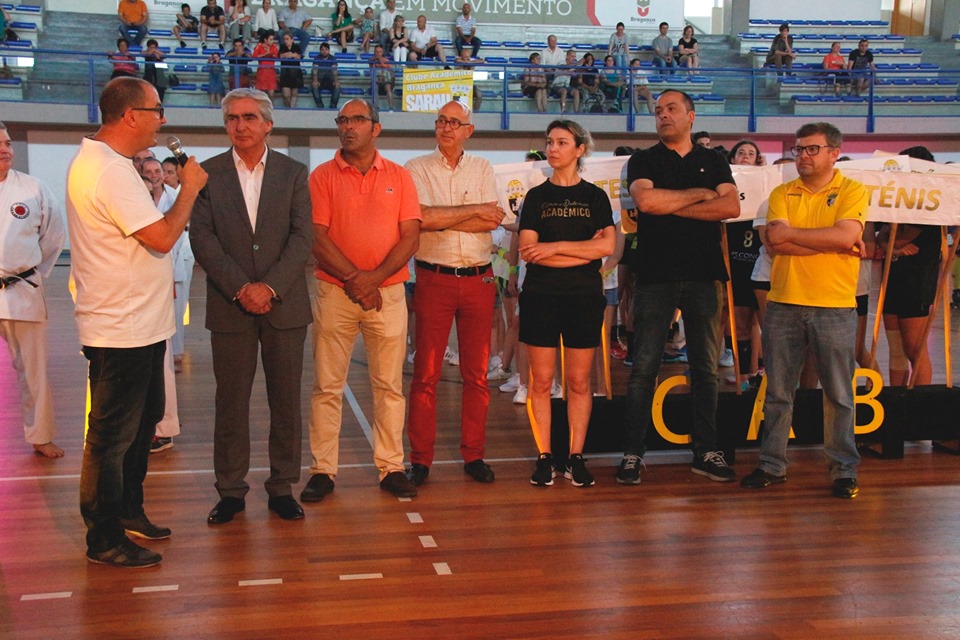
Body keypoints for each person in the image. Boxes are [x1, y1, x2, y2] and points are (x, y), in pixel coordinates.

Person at [66, 77, 207, 567]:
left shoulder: (110, 164)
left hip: (141, 323)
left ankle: (127, 510)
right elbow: (163, 237)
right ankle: (104, 537)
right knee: (111, 437)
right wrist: (188, 190)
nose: (162, 119)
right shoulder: (109, 171)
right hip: (120, 326)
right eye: (156, 109)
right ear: (130, 116)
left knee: (142, 424)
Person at [189, 88, 313, 525]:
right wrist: (242, 287)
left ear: (267, 125)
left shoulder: (293, 173)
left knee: (286, 402)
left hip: (284, 306)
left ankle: (282, 487)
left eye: (248, 117)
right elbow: (202, 238)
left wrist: (269, 287)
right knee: (230, 403)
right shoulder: (206, 175)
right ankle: (230, 491)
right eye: (232, 118)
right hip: (231, 305)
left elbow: (303, 238)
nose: (239, 125)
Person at [618, 89, 740, 485]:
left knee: (705, 369)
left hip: (705, 274)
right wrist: (701, 195)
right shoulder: (642, 160)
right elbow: (646, 204)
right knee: (643, 369)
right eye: (658, 111)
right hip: (655, 275)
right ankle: (633, 453)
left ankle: (706, 450)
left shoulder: (714, 159)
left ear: (691, 116)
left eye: (671, 109)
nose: (663, 115)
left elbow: (730, 207)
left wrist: (672, 205)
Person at [303, 99, 421, 502]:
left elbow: (410, 236)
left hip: (387, 293)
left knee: (389, 385)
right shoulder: (322, 176)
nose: (348, 127)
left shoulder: (400, 177)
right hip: (335, 292)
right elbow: (316, 237)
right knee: (327, 385)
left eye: (357, 119)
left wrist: (373, 279)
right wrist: (357, 280)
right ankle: (323, 470)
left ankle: (391, 467)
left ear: (376, 127)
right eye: (342, 120)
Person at [740, 122, 866, 499]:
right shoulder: (781, 193)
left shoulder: (852, 190)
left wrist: (801, 237)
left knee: (839, 394)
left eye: (812, 149)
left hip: (835, 305)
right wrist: (833, 243)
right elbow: (775, 243)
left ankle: (844, 470)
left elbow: (846, 235)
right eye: (799, 149)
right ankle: (771, 465)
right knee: (778, 392)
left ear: (834, 153)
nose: (803, 156)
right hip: (783, 302)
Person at [404, 100, 509, 488]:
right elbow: (422, 219)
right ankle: (420, 459)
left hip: (479, 280)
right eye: (441, 121)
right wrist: (471, 210)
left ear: (469, 130)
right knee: (426, 374)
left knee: (477, 375)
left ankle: (474, 454)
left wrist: (445, 216)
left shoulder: (482, 167)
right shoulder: (415, 167)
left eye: (454, 122)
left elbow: (492, 219)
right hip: (434, 279)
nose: (446, 127)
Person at [520, 119, 615, 488]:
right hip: (540, 296)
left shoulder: (595, 197)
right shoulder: (536, 197)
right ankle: (545, 456)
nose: (553, 148)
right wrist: (581, 250)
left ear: (580, 149)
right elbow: (530, 251)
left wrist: (554, 247)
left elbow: (606, 247)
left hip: (583, 297)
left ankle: (575, 456)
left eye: (562, 142)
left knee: (577, 382)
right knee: (542, 381)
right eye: (550, 142)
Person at [0, 121, 66, 459]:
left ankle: (40, 435)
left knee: (33, 370)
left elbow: (53, 238)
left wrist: (31, 273)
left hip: (22, 288)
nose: (5, 150)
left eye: (8, 143)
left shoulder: (32, 188)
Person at [878, 146, 940, 386]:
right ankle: (897, 396)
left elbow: (898, 238)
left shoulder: (928, 204)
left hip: (917, 283)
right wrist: (888, 244)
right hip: (893, 278)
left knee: (914, 348)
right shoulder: (897, 202)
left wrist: (889, 243)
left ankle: (921, 399)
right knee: (896, 348)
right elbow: (885, 236)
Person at [139, 157, 181, 453]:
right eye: (146, 168)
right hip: (131, 291)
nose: (154, 175)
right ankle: (141, 426)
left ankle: (163, 428)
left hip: (161, 282)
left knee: (162, 361)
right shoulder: (130, 196)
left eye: (158, 170)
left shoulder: (173, 199)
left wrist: (169, 278)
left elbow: (169, 241)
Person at [725, 140, 765, 387]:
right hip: (736, 262)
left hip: (760, 264)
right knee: (740, 323)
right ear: (733, 158)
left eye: (751, 153)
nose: (746, 156)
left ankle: (762, 372)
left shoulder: (766, 185)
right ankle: (742, 375)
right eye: (741, 152)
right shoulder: (726, 185)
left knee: (764, 324)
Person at [311, 41, 340, 109]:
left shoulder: (332, 58)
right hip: (320, 80)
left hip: (330, 80)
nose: (324, 51)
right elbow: (315, 71)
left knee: (337, 85)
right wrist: (315, 81)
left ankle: (333, 106)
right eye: (322, 49)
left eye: (326, 49)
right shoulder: (317, 58)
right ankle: (320, 106)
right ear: (320, 50)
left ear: (329, 50)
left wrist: (336, 81)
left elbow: (334, 70)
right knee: (314, 85)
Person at [277, 31, 303, 108]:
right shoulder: (282, 47)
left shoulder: (297, 47)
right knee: (286, 95)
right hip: (285, 72)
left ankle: (292, 110)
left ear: (292, 39)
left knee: (294, 94)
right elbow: (281, 56)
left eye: (287, 39)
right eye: (284, 39)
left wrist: (290, 55)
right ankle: (289, 109)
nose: (285, 41)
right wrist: (291, 55)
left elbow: (298, 56)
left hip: (295, 72)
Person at [550, 49, 579, 114]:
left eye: (574, 57)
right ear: (567, 56)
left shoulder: (573, 66)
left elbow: (575, 75)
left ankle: (576, 111)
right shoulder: (561, 62)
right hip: (557, 85)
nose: (573, 58)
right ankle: (563, 109)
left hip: (567, 85)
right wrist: (577, 63)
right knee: (564, 91)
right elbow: (564, 67)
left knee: (576, 92)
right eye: (572, 56)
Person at [253, 31, 279, 99]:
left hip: (271, 72)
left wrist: (270, 53)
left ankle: (270, 105)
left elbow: (277, 56)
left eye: (273, 39)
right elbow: (254, 56)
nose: (272, 41)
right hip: (262, 72)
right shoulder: (259, 46)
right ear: (265, 39)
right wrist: (264, 55)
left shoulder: (274, 46)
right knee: (260, 96)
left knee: (271, 95)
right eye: (270, 39)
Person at [370, 44, 394, 110]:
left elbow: (390, 68)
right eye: (376, 52)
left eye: (380, 52)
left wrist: (380, 61)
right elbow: (370, 61)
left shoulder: (386, 60)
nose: (378, 53)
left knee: (388, 88)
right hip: (376, 81)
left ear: (382, 52)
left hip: (386, 81)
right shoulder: (372, 60)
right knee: (375, 88)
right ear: (374, 52)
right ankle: (376, 106)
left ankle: (391, 107)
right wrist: (377, 59)